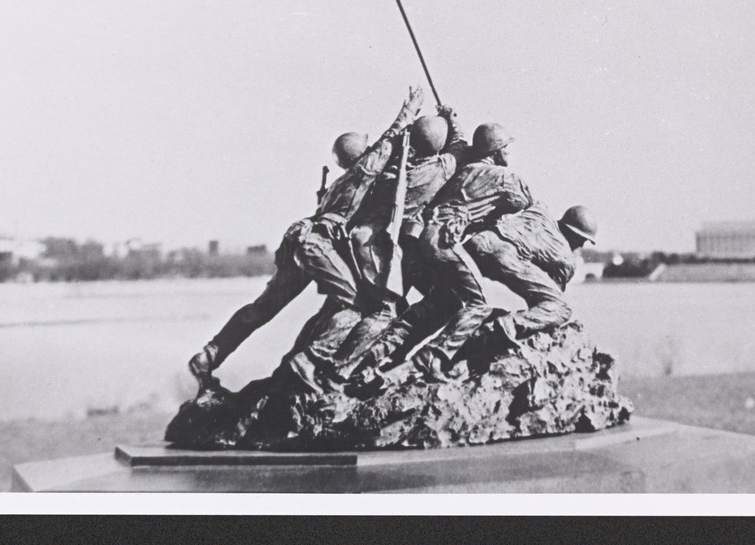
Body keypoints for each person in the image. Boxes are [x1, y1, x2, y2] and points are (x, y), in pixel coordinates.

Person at [187, 86, 423, 393]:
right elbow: (386, 145)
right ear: (360, 155)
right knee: (353, 305)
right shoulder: (361, 173)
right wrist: (410, 111)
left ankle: (208, 356)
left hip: (301, 243)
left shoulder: (341, 183)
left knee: (265, 307)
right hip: (315, 245)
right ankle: (308, 365)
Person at [346, 122, 533, 387]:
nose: (509, 155)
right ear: (496, 150)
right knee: (477, 304)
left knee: (441, 303)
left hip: (423, 240)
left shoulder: (456, 170)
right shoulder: (502, 177)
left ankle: (376, 357)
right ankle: (434, 358)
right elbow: (524, 201)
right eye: (506, 149)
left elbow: (458, 146)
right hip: (444, 240)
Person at [327, 106, 470, 374]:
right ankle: (344, 368)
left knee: (394, 307)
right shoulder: (438, 168)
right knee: (388, 310)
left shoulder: (388, 171)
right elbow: (460, 146)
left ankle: (379, 358)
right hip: (390, 248)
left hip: (374, 246)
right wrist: (452, 117)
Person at [463, 202, 598, 346]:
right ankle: (505, 327)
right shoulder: (566, 259)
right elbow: (547, 301)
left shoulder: (539, 210)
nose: (582, 246)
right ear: (575, 235)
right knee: (561, 308)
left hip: (476, 243)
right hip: (503, 257)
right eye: (583, 240)